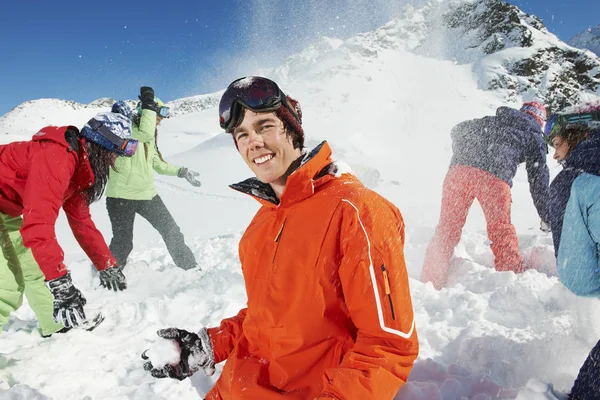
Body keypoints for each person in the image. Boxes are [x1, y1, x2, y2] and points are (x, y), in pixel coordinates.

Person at [141, 76, 419, 399]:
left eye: (264, 127)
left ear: (293, 129)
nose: (252, 142)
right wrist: (207, 346)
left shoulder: (356, 211)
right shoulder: (260, 227)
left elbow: (388, 345)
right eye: (241, 134)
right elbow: (266, 319)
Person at [0, 112, 135, 336]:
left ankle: (57, 324)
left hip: (5, 209)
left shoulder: (80, 168)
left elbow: (82, 222)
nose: (115, 160)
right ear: (100, 146)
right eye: (114, 153)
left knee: (34, 268)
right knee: (6, 287)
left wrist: (106, 265)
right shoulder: (57, 157)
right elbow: (38, 223)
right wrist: (61, 283)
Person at [420, 102, 550, 290]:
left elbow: (458, 129)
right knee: (501, 231)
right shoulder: (534, 133)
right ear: (540, 120)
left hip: (458, 173)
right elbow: (539, 181)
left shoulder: (494, 120)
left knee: (447, 228)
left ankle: (430, 281)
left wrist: (467, 155)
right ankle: (511, 281)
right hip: (494, 179)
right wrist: (547, 216)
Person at [106, 87, 201, 271]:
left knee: (172, 231)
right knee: (123, 242)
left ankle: (190, 268)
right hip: (120, 197)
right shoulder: (124, 128)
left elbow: (158, 163)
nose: (159, 123)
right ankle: (110, 272)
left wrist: (181, 171)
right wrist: (149, 106)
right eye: (157, 118)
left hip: (147, 195)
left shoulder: (149, 138)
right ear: (147, 112)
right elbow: (145, 133)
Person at [543, 103, 600, 399]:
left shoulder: (574, 180)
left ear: (577, 134)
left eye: (557, 143)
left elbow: (574, 269)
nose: (555, 153)